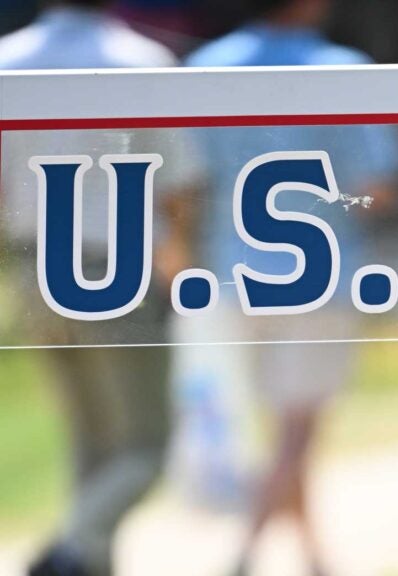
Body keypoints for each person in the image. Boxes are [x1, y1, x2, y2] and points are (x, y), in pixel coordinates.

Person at [185, 1, 398, 574]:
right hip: (320, 274)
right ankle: (247, 550)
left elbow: (187, 177)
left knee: (277, 426)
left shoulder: (207, 66)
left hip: (233, 270)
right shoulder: (344, 69)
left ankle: (313, 556)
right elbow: (377, 187)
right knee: (298, 427)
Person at [0, 1, 198, 575]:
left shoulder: (6, 61)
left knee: (92, 443)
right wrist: (179, 273)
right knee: (143, 447)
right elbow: (176, 184)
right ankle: (67, 552)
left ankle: (85, 558)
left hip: (33, 259)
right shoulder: (142, 61)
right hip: (118, 267)